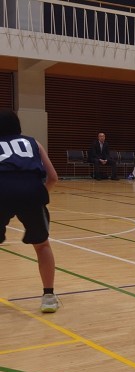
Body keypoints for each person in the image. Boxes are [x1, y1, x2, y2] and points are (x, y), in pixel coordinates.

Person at [0, 110, 60, 313]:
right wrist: (40, 195)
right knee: (42, 245)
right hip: (31, 191)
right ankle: (49, 296)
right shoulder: (33, 142)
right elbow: (53, 177)